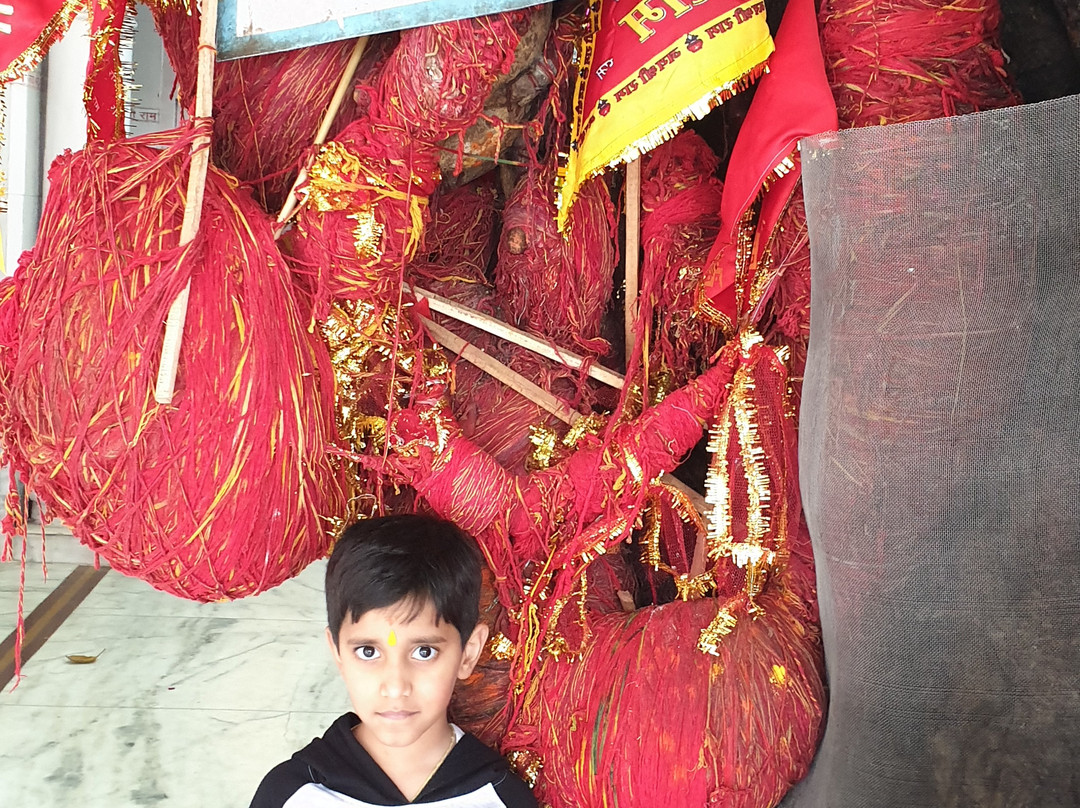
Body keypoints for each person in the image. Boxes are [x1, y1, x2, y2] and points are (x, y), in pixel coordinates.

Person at [250, 514, 537, 807]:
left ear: (468, 653)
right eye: (368, 652)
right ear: (337, 653)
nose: (396, 687)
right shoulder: (291, 794)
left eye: (424, 651)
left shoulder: (502, 798)